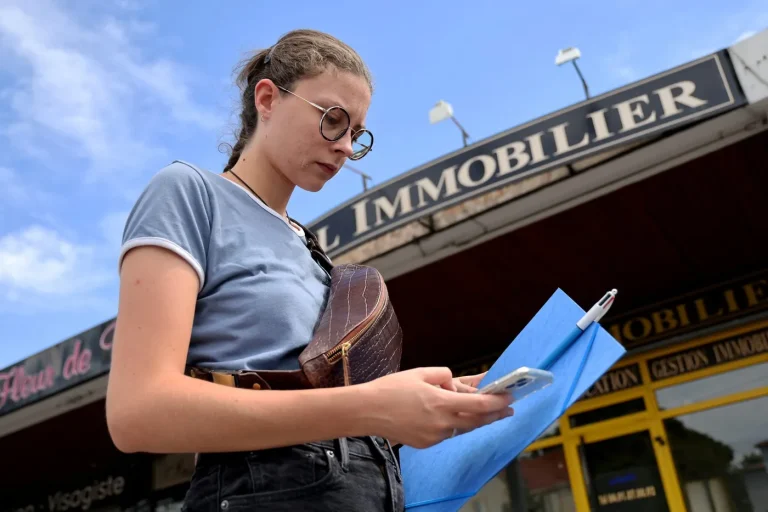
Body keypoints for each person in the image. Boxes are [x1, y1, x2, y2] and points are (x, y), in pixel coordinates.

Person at [105, 29, 514, 512]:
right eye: (333, 120)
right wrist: (374, 406)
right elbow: (138, 412)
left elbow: (330, 410)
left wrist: (440, 401)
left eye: (356, 134)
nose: (346, 147)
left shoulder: (312, 249)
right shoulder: (189, 193)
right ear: (267, 99)